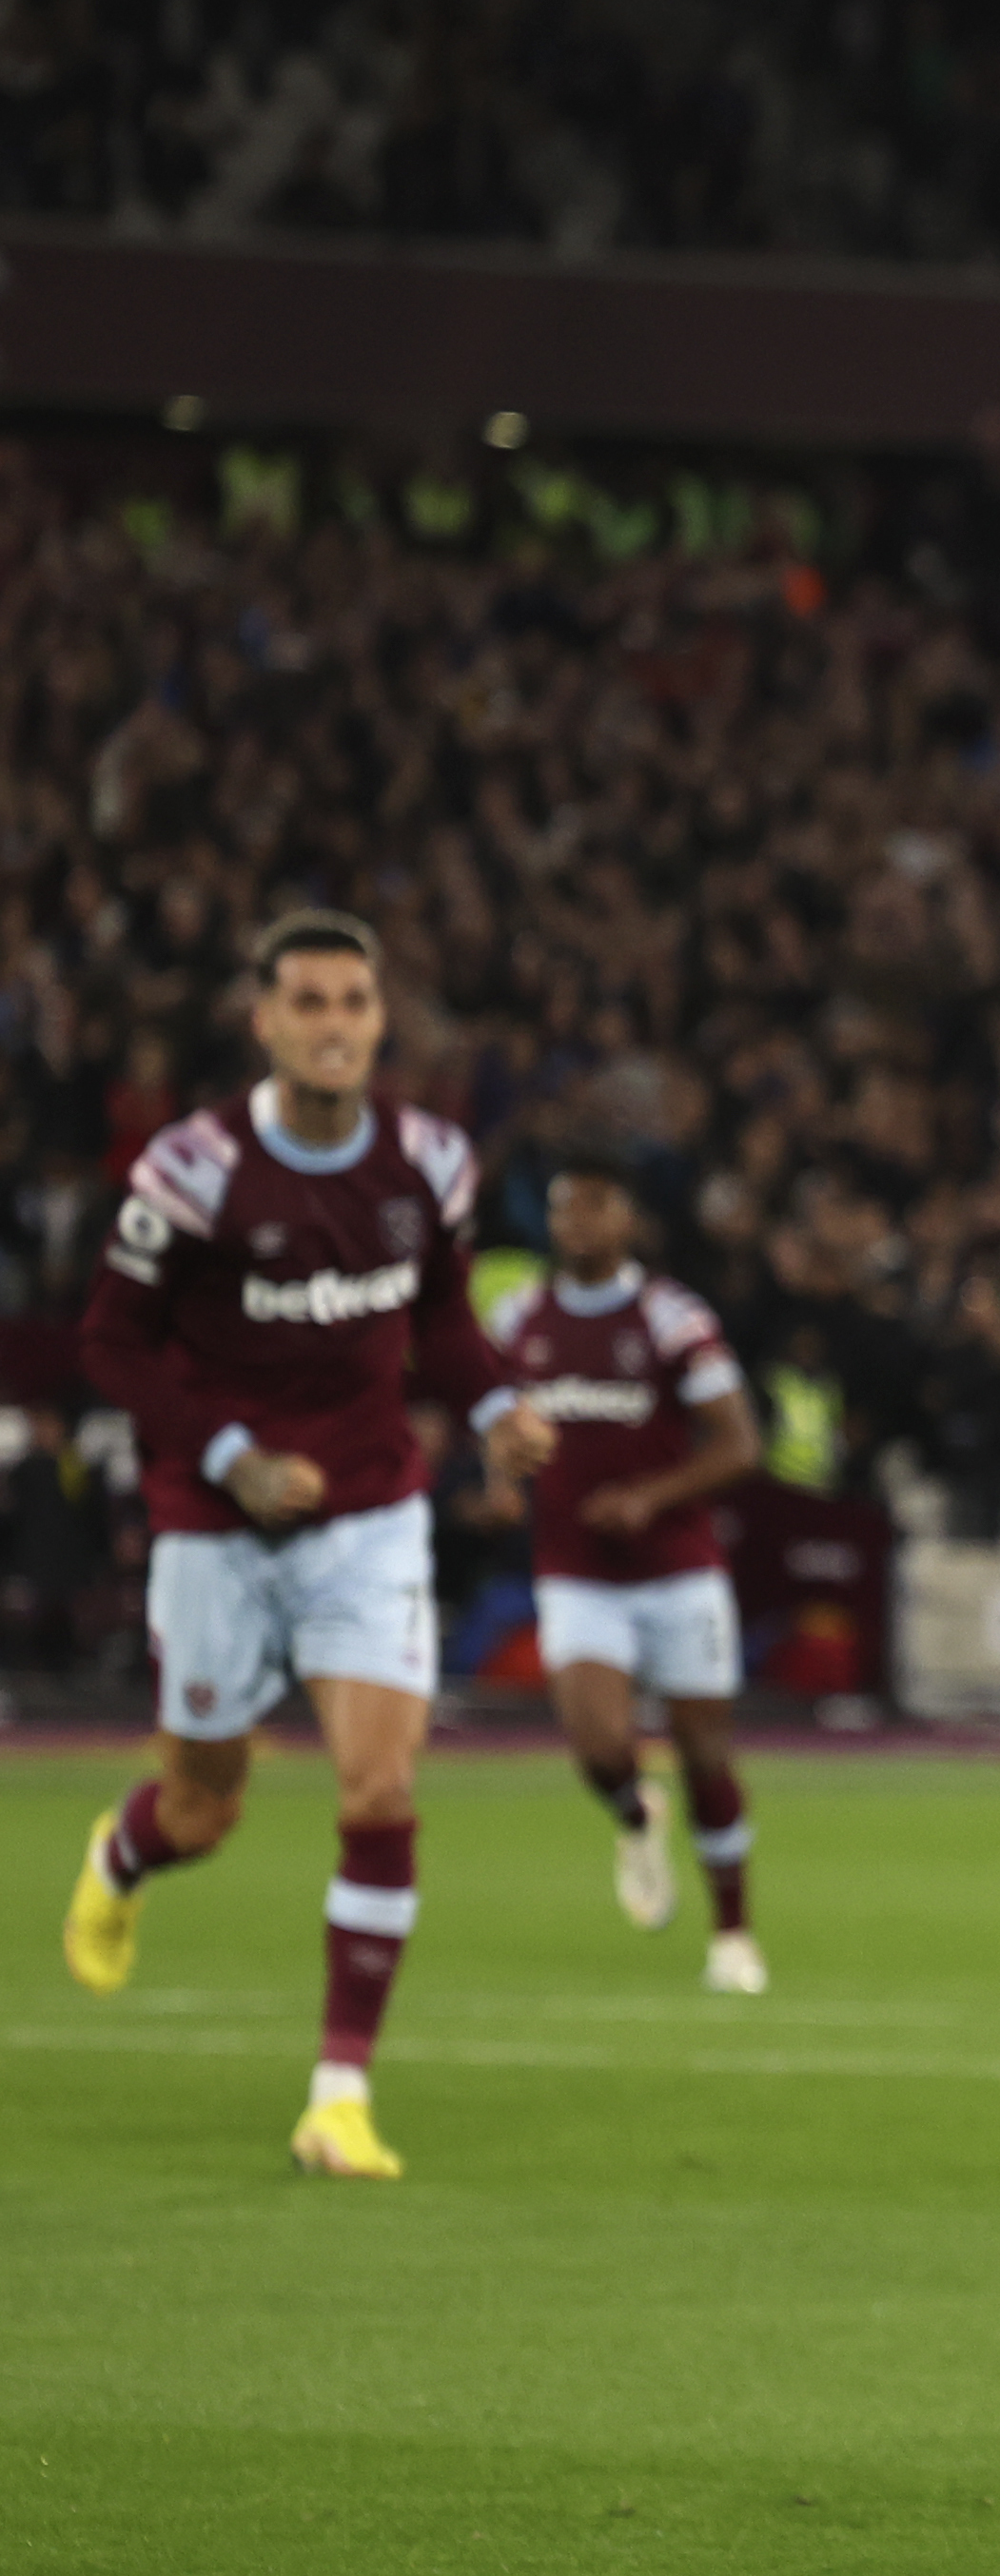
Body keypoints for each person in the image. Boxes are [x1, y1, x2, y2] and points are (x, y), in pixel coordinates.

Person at [68, 908, 553, 2175]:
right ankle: (124, 1851)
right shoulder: (195, 1168)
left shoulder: (431, 1161)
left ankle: (340, 2092)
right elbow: (110, 1342)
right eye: (309, 1002)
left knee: (380, 1787)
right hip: (212, 1523)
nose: (334, 1023)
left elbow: (440, 1317)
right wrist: (229, 1454)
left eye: (354, 1001)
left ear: (380, 1019)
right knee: (205, 1804)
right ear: (265, 1021)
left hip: (369, 1513)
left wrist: (496, 1403)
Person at [481, 1142, 770, 1993]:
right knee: (599, 1746)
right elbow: (495, 1410)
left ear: (628, 1220)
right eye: (566, 1205)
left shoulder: (671, 1318)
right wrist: (501, 1477)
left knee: (706, 1751)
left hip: (677, 1568)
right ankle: (636, 1811)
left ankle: (734, 1931)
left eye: (596, 1205)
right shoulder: (520, 1319)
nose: (578, 1222)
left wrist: (653, 1495)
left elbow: (740, 1443)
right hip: (576, 1569)